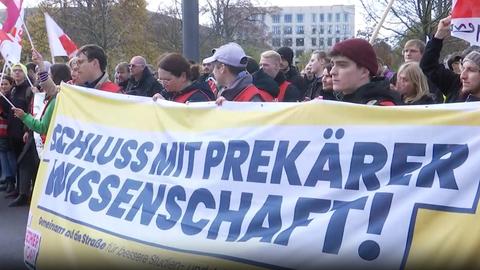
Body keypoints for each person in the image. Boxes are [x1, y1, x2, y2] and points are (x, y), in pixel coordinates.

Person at [329, 38, 402, 105]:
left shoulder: (383, 109)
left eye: (342, 65)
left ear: (364, 72)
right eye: (333, 65)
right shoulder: (342, 101)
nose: (332, 72)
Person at [420, 16, 475, 102]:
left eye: (471, 70)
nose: (463, 76)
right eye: (463, 68)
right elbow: (428, 65)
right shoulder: (454, 84)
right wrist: (438, 36)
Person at [203, 42, 272, 103]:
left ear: (222, 68)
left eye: (214, 66)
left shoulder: (252, 99)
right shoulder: (225, 92)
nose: (213, 71)